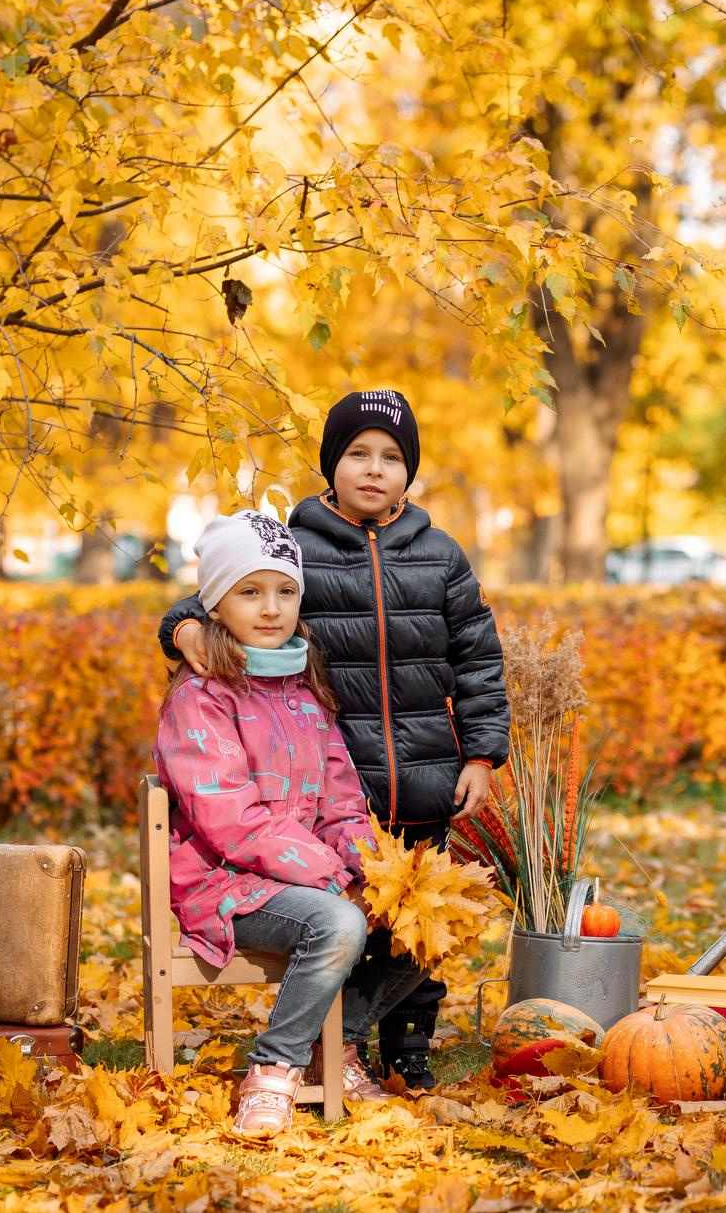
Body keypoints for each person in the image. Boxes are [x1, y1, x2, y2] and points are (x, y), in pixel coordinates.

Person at [158, 390, 509, 1088]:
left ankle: (402, 1045)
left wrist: (480, 751)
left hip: (425, 774)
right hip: (333, 775)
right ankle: (329, 1047)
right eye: (357, 454)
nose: (374, 470)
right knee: (356, 916)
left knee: (423, 919)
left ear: (409, 471)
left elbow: (477, 653)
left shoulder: (440, 554)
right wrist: (182, 628)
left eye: (391, 458)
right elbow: (225, 593)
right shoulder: (297, 546)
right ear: (331, 463)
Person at [156, 510, 430, 1136]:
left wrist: (376, 869)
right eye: (249, 591)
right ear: (215, 604)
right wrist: (334, 878)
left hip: (304, 876)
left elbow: (339, 807)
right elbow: (232, 822)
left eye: (285, 591)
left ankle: (337, 1045)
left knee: (421, 916)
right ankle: (274, 1067)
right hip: (225, 883)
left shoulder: (305, 691)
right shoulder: (201, 697)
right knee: (338, 920)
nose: (271, 608)